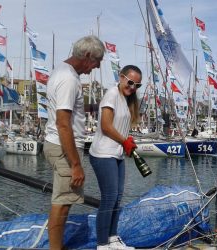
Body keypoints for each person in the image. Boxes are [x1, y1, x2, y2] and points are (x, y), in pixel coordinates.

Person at [43, 35, 105, 250]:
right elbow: (63, 123)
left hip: (58, 145)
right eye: (98, 61)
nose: (96, 67)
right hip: (63, 148)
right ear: (88, 55)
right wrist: (76, 164)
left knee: (64, 201)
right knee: (62, 203)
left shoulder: (61, 71)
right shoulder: (69, 79)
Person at [89, 65, 142, 250]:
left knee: (117, 198)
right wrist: (124, 141)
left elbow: (120, 128)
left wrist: (127, 140)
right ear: (121, 77)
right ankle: (102, 244)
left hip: (117, 154)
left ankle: (112, 238)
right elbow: (106, 126)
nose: (132, 87)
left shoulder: (127, 100)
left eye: (137, 85)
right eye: (130, 82)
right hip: (103, 153)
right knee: (109, 197)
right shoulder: (111, 94)